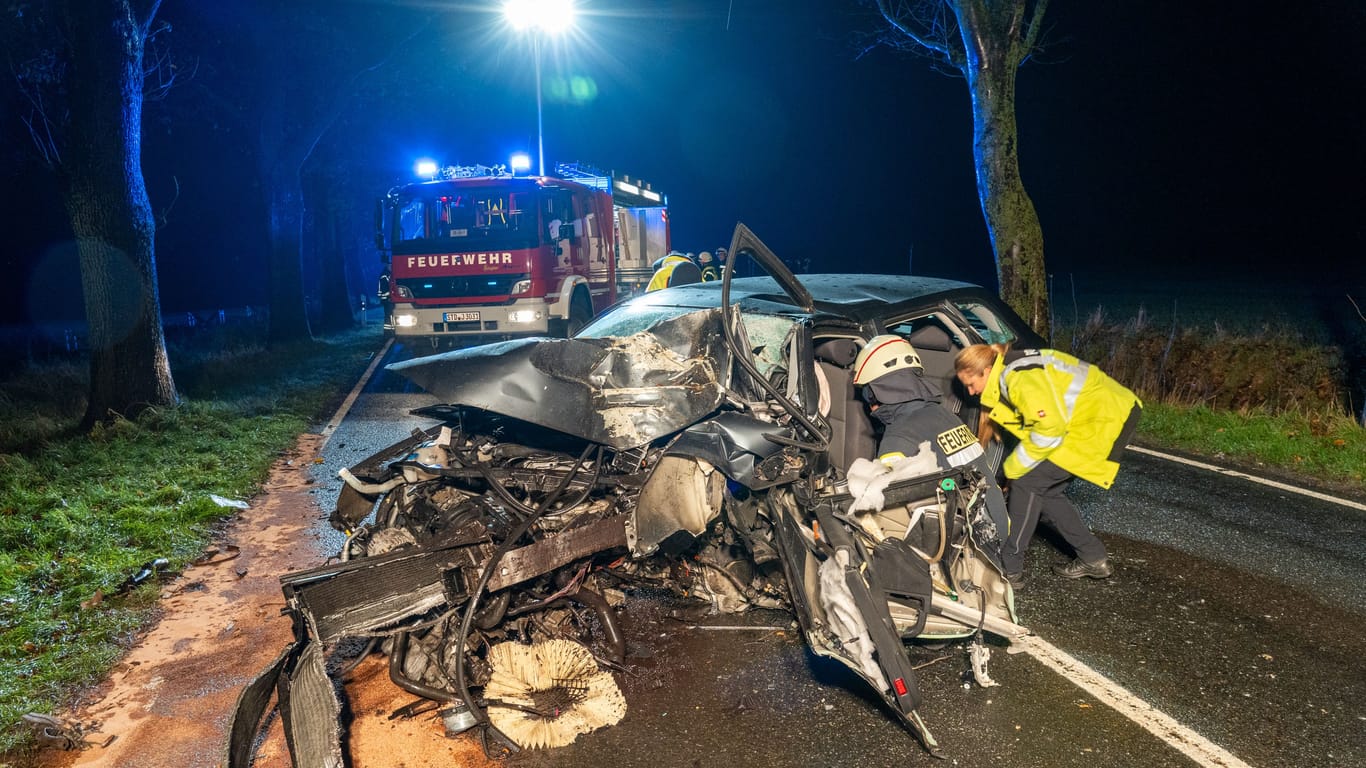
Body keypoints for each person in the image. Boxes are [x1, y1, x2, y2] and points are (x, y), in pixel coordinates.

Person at [954, 344, 1142, 584]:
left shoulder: (1017, 379)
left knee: (1027, 482)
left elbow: (1048, 431)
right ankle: (1094, 557)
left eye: (971, 384)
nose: (970, 392)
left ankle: (1010, 568)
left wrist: (1012, 470)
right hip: (1093, 418)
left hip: (1099, 421)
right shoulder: (1009, 372)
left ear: (987, 371)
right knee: (1046, 492)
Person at [852, 335, 1010, 568]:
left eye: (867, 393)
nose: (868, 404)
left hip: (969, 552)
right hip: (999, 527)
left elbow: (888, 512)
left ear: (880, 391)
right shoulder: (944, 414)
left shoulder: (898, 437)